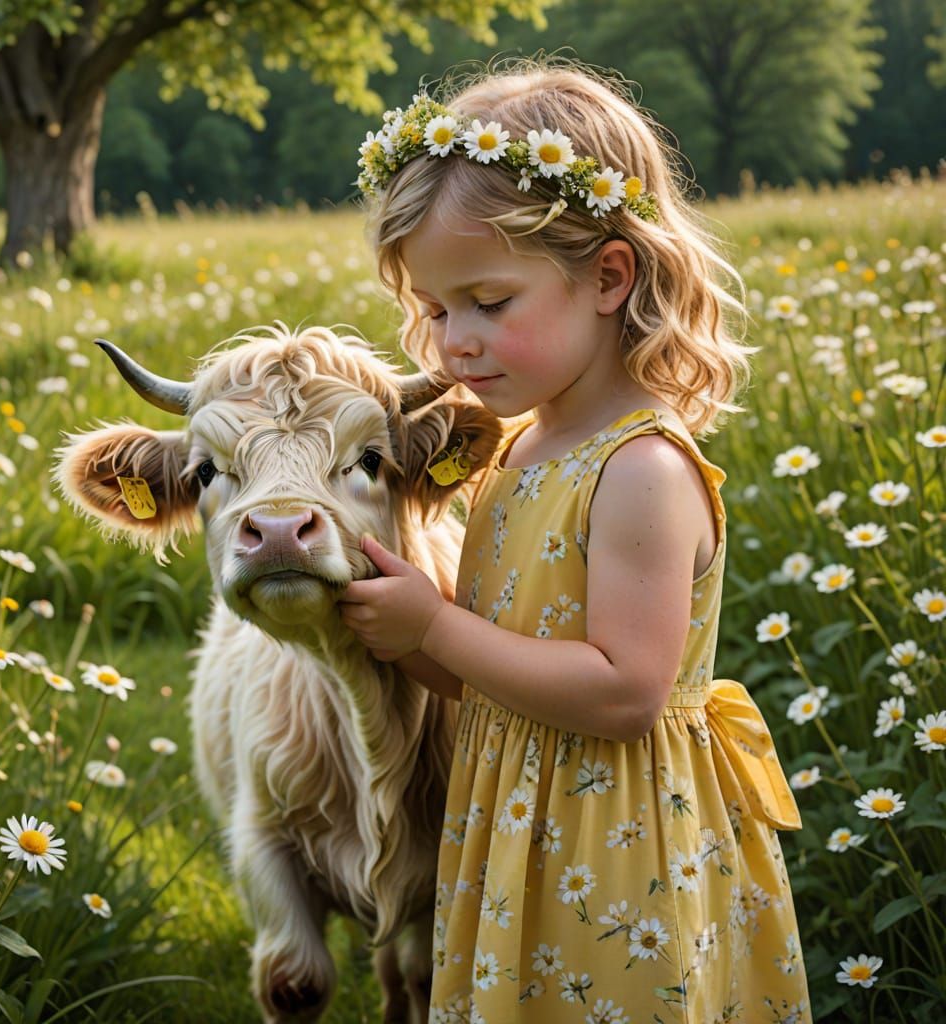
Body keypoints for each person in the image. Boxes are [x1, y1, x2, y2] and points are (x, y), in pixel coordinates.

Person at [339, 59, 811, 1024]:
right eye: (434, 310)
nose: (452, 344)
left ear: (608, 276)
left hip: (618, 847)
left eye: (489, 302)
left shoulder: (639, 470)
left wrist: (435, 621)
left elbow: (625, 692)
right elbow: (495, 674)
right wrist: (401, 635)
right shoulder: (518, 449)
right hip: (516, 831)